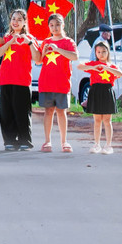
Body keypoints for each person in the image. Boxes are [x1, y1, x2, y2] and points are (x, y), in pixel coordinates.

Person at [0, 9, 39, 151]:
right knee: (6, 112)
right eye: (13, 19)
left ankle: (25, 140)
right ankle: (9, 140)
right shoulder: (6, 37)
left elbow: (38, 59)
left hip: (22, 80)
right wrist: (11, 42)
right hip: (6, 79)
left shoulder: (30, 38)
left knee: (22, 112)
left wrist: (29, 43)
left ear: (24, 22)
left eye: (19, 19)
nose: (15, 22)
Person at [36, 14, 78, 153]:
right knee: (48, 111)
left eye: (58, 25)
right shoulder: (46, 42)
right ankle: (47, 141)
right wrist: (45, 51)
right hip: (47, 82)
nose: (55, 28)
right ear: (49, 27)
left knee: (61, 112)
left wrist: (58, 49)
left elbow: (75, 56)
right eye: (52, 25)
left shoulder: (68, 41)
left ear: (63, 25)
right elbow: (38, 61)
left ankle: (64, 141)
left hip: (62, 82)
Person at [78, 41, 122, 154]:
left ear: (108, 52)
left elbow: (119, 73)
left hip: (107, 92)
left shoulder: (111, 66)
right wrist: (95, 67)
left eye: (104, 51)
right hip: (95, 92)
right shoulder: (93, 64)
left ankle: (108, 145)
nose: (101, 54)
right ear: (95, 53)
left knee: (107, 120)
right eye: (98, 52)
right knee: (97, 120)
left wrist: (106, 68)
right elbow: (80, 66)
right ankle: (96, 144)